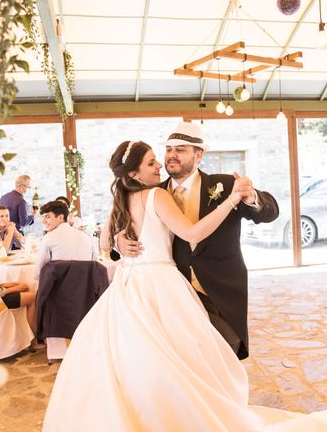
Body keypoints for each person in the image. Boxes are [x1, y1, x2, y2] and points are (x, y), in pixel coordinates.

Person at [41, 140, 327, 432]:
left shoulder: (141, 194)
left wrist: (242, 195)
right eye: (155, 160)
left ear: (197, 155)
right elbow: (189, 233)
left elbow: (269, 211)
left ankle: (153, 422)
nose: (163, 162)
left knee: (154, 362)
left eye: (174, 152)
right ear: (135, 173)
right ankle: (191, 420)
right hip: (164, 288)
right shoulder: (158, 193)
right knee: (176, 363)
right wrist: (227, 203)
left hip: (159, 289)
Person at [117, 122, 278, 359]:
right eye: (169, 149)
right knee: (186, 363)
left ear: (198, 155)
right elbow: (125, 224)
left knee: (227, 352)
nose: (171, 155)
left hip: (220, 288)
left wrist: (251, 196)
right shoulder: (153, 191)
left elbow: (270, 212)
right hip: (173, 295)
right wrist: (117, 242)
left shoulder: (224, 185)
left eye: (180, 149)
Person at [33, 200, 98, 283]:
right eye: (43, 217)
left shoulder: (48, 238)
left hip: (58, 293)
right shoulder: (86, 237)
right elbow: (96, 267)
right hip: (86, 292)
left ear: (60, 218)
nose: (43, 221)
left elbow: (37, 274)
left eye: (47, 217)